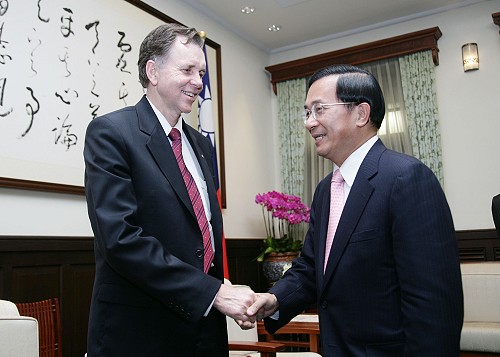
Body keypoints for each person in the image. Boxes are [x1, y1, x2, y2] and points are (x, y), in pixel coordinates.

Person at [245, 64, 464, 356]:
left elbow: (433, 306)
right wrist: (275, 300)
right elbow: (312, 268)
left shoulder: (406, 178)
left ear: (361, 113)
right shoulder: (325, 190)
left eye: (319, 109)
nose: (310, 122)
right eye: (307, 112)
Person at [84, 23, 256, 356]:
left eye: (202, 72)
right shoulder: (111, 134)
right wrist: (211, 293)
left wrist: (219, 292)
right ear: (153, 71)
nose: (198, 81)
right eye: (187, 70)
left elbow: (201, 232)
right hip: (140, 333)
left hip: (204, 329)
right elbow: (121, 240)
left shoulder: (200, 145)